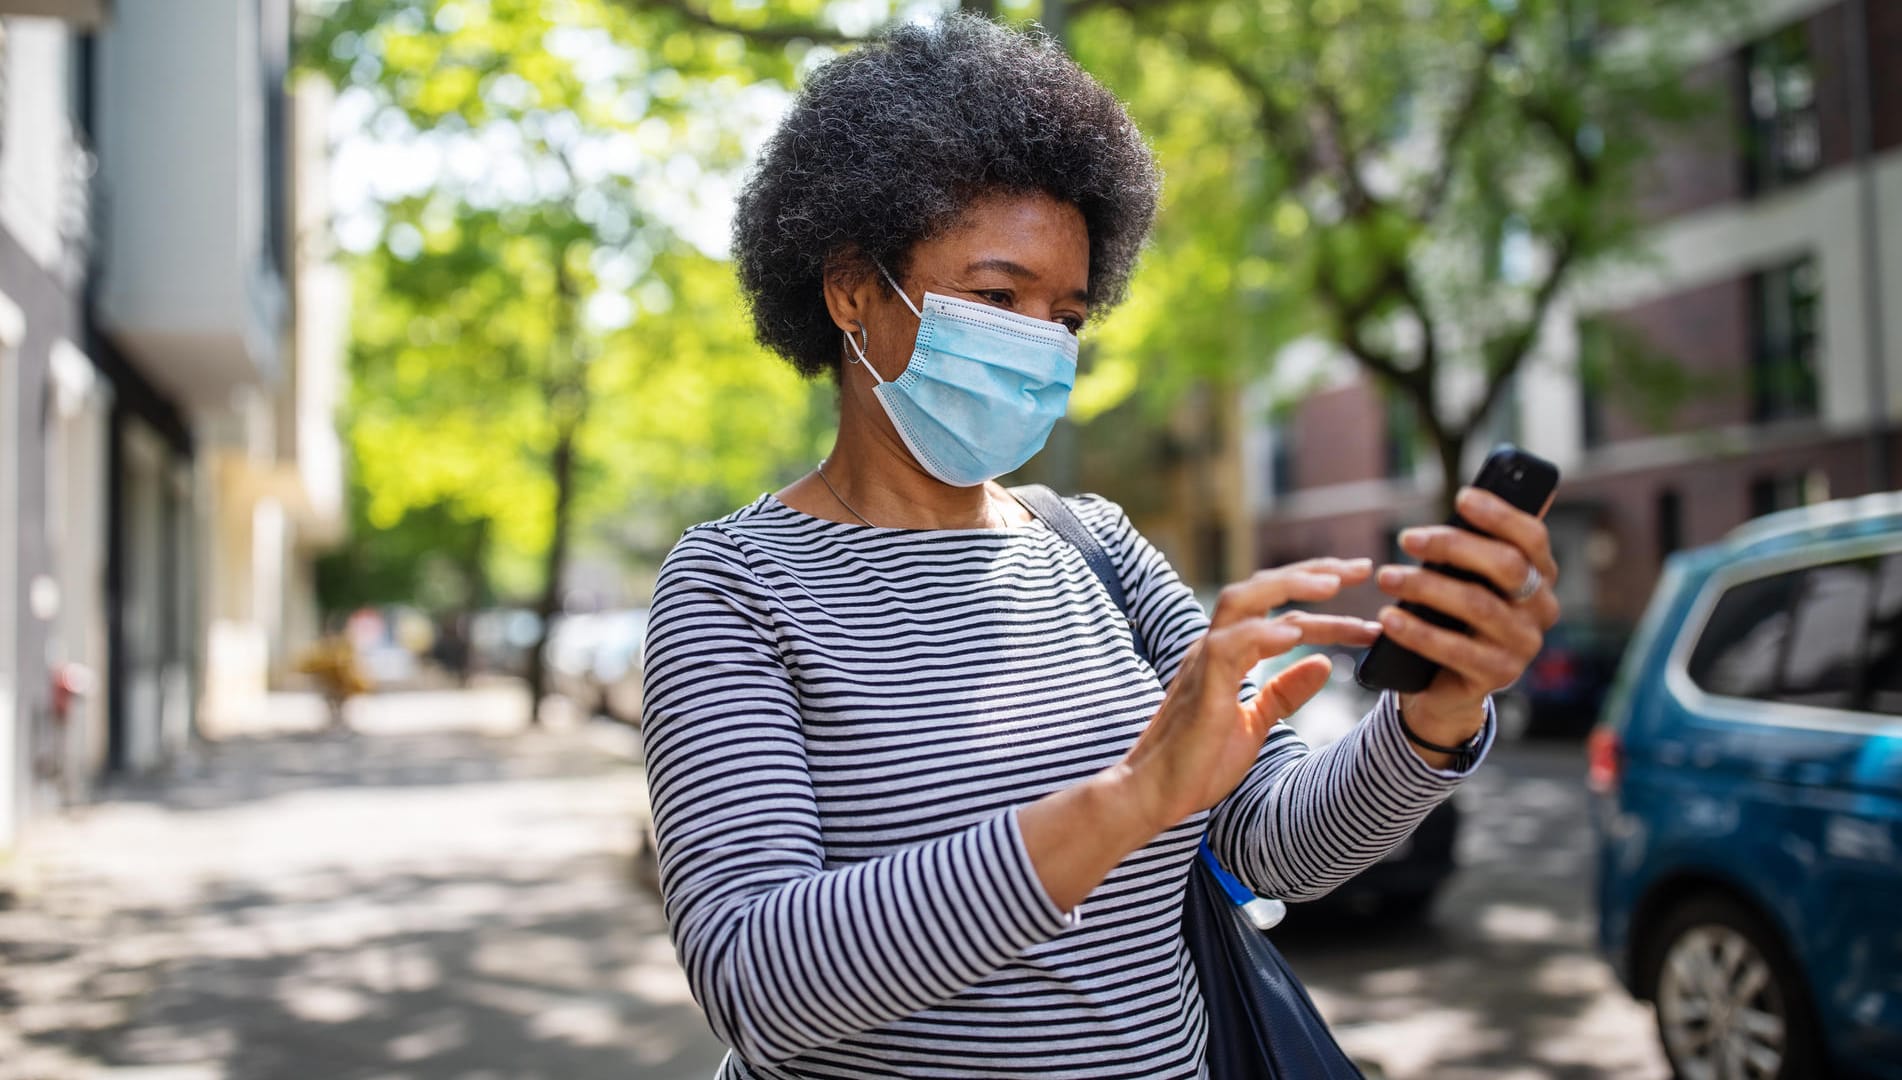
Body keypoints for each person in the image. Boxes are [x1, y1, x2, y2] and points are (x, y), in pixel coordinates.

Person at [640, 15, 1560, 1078]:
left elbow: (1275, 844)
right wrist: (1124, 806)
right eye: (996, 298)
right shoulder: (732, 586)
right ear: (851, 290)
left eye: (1066, 316)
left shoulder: (1095, 547)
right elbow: (758, 982)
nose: (1038, 343)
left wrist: (1433, 718)